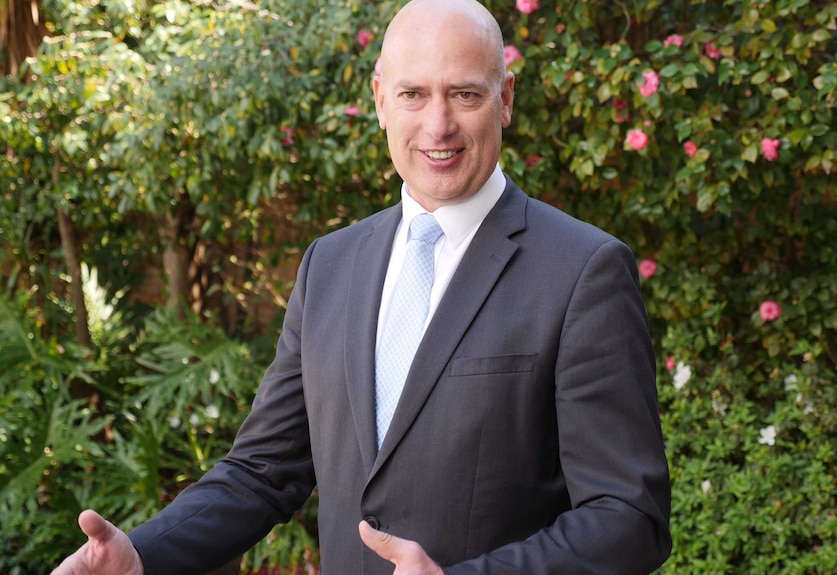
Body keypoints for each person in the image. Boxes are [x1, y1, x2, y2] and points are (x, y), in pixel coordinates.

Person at [52, 0, 672, 573]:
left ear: (505, 99)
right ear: (379, 100)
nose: (438, 124)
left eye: (464, 94)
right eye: (412, 94)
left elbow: (628, 518)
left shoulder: (581, 271)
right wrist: (143, 555)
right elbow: (263, 471)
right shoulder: (331, 264)